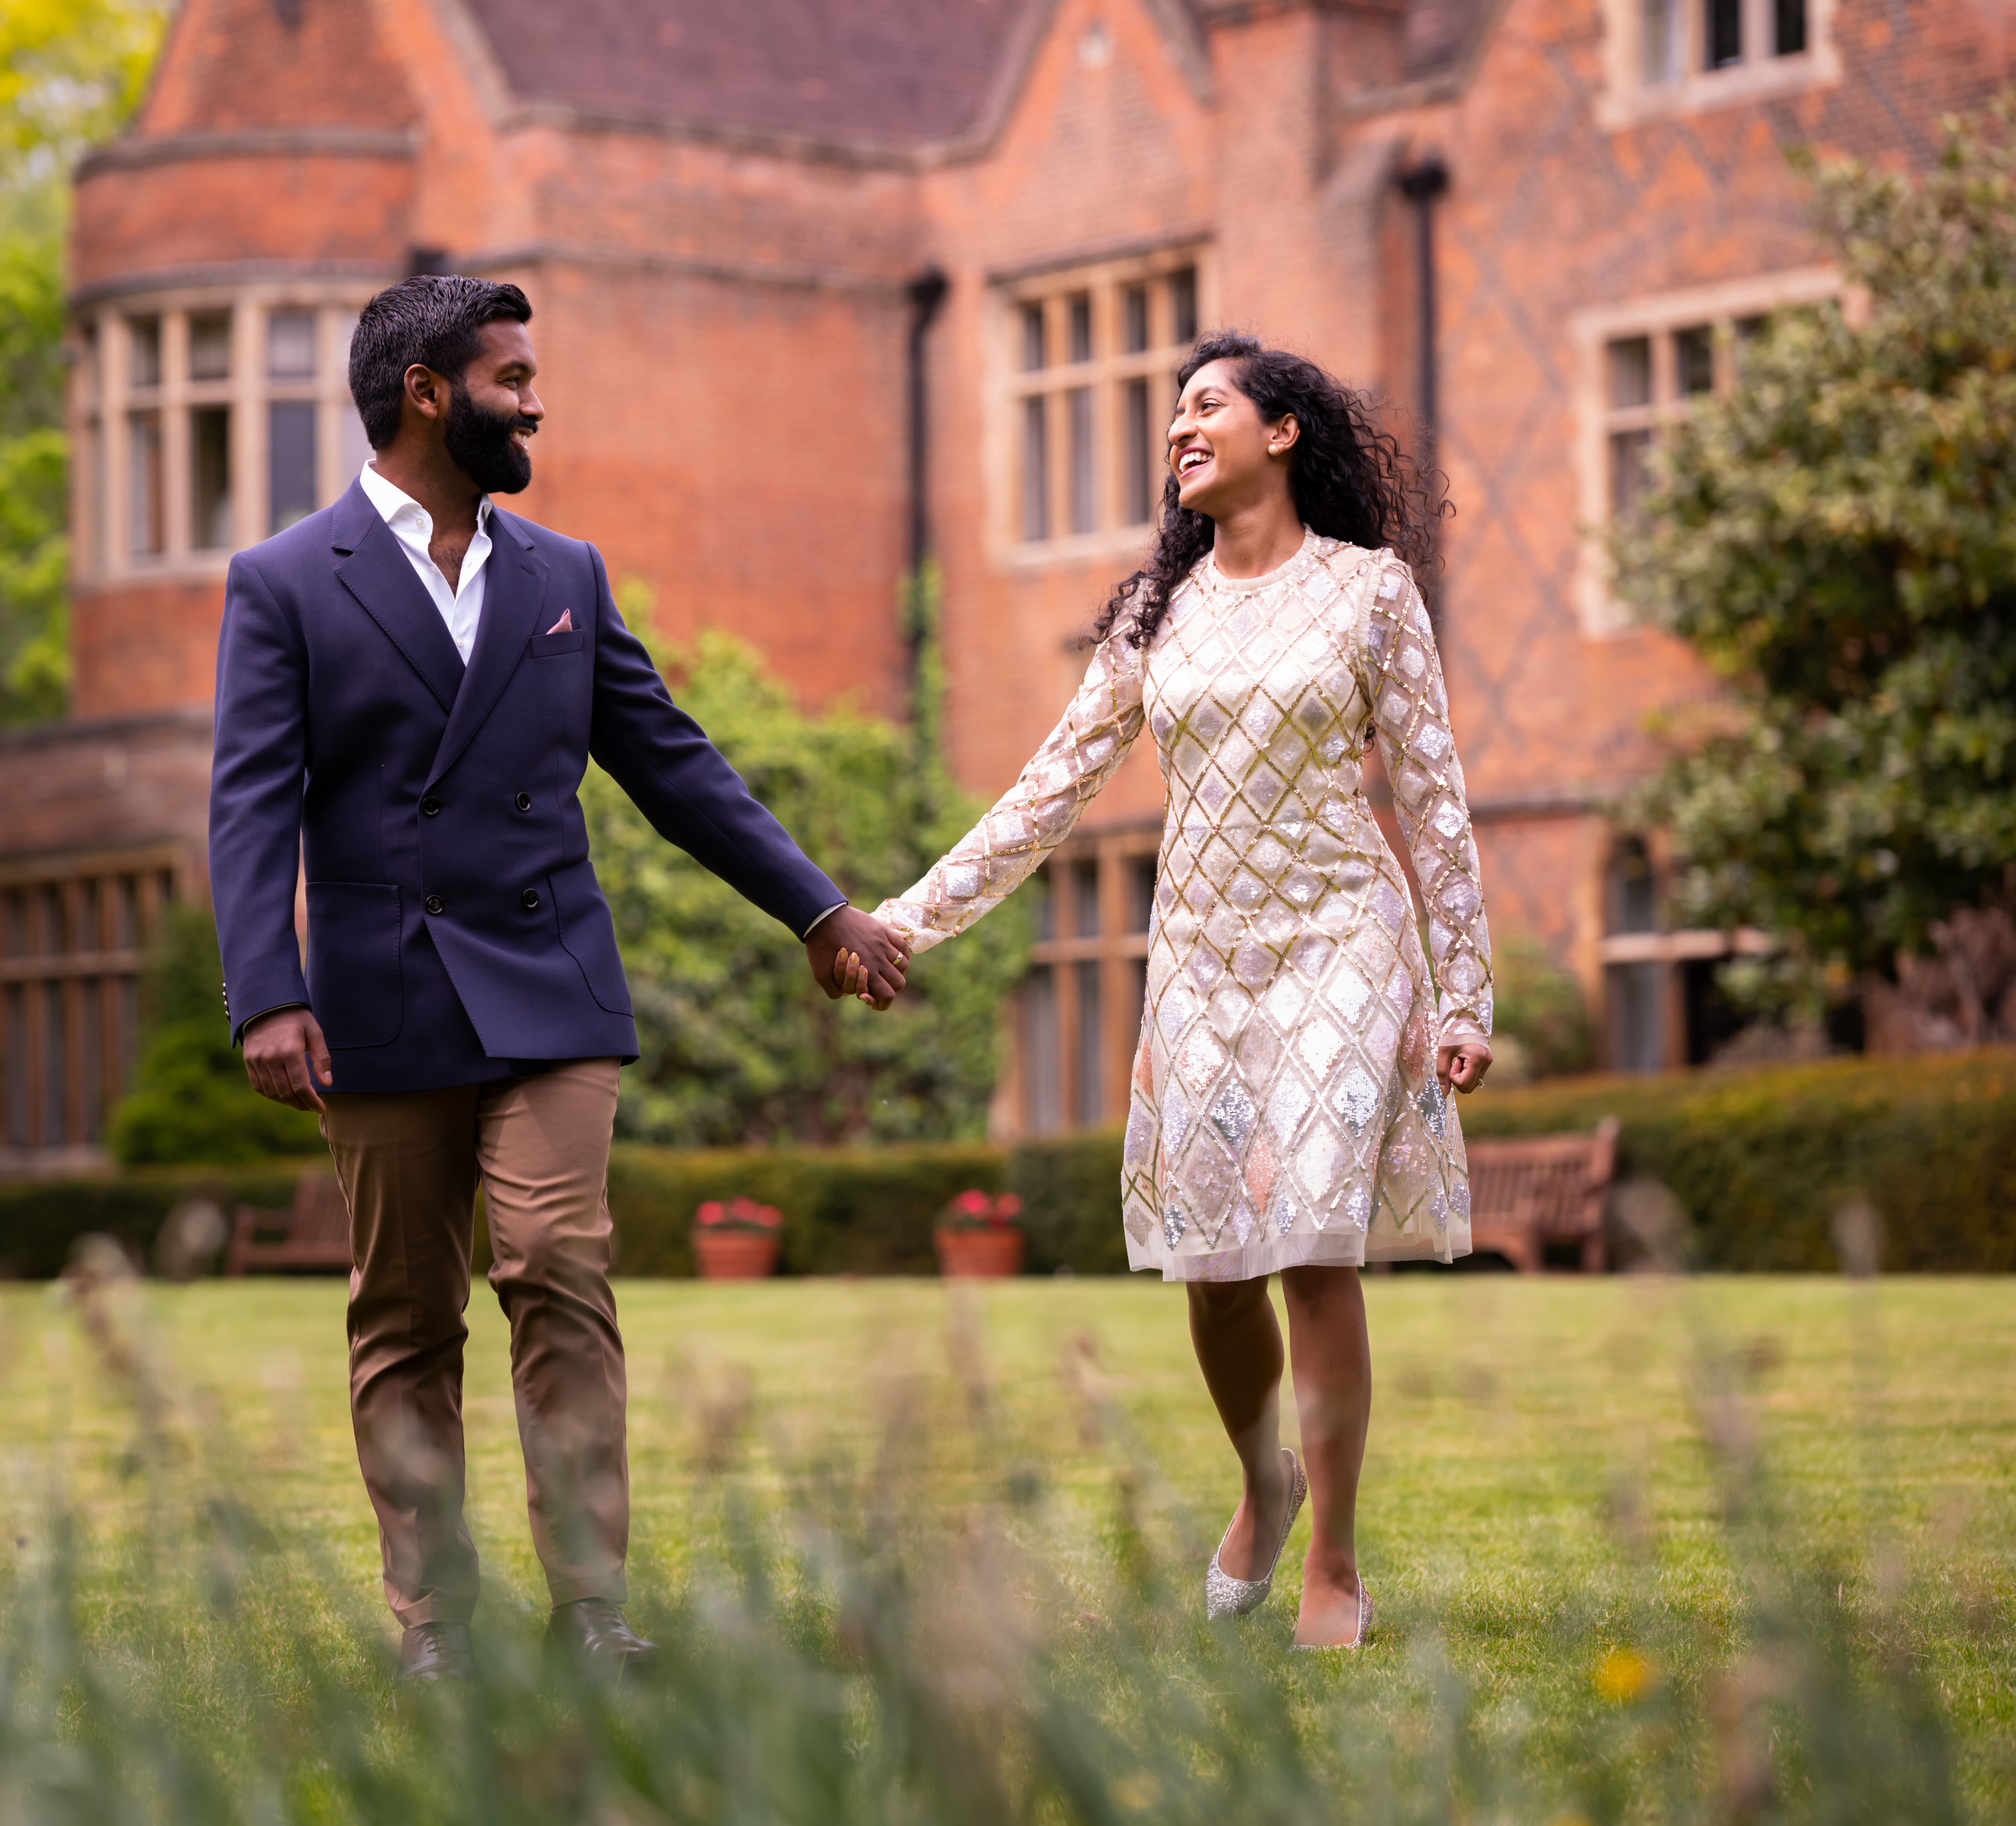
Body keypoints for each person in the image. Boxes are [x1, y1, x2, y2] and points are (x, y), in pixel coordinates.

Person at [210, 275, 909, 1684]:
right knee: (406, 1314)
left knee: (556, 1267)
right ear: (428, 391)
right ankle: (436, 1627)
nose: (536, 400)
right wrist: (266, 992)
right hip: (378, 993)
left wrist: (818, 911)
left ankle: (591, 1607)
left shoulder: (563, 578)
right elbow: (250, 802)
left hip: (547, 976)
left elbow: (674, 765)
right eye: (512, 378)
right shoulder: (286, 580)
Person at [865, 332, 1493, 1649]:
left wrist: (1464, 994)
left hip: (1343, 937)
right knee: (1217, 1265)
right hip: (1203, 956)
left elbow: (1432, 799)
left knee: (1315, 1240)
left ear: (1285, 434)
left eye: (1208, 406)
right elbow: (1044, 794)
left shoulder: (1372, 594)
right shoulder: (1159, 613)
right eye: (1171, 414)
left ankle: (1332, 1556)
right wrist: (907, 919)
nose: (1179, 430)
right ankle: (1261, 1481)